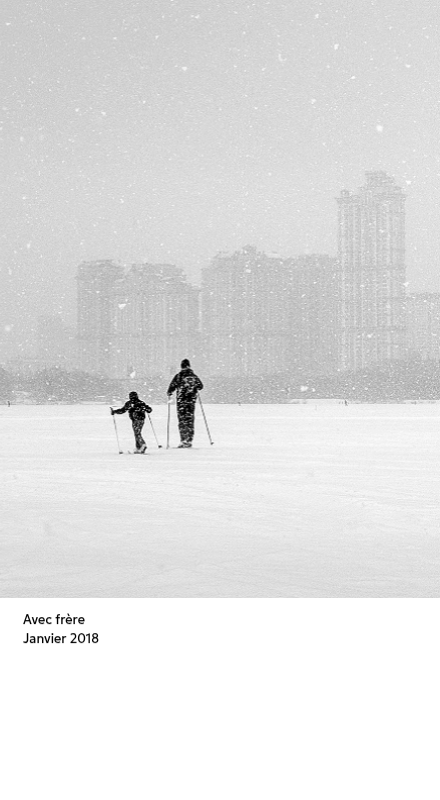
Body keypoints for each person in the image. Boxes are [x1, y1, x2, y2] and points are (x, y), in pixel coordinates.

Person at [167, 359, 203, 448]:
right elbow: (201, 386)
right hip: (191, 402)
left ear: (181, 366)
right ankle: (189, 440)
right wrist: (194, 388)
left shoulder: (179, 376)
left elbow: (171, 387)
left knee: (182, 421)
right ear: (189, 366)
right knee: (190, 421)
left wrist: (170, 392)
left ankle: (183, 440)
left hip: (181, 402)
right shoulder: (193, 376)